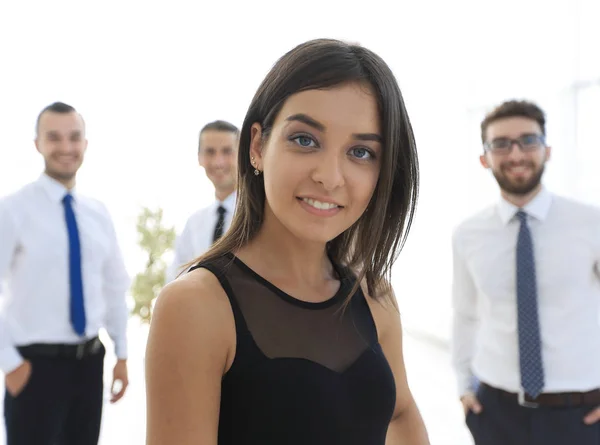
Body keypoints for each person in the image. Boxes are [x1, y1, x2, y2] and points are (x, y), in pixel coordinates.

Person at [145, 38, 430, 445]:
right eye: (305, 140)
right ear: (258, 146)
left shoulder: (373, 295)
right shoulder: (195, 306)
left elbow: (400, 414)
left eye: (361, 152)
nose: (330, 177)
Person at [451, 100, 600, 444]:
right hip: (496, 413)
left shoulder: (591, 223)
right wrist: (463, 386)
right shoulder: (468, 234)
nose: (516, 154)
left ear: (547, 150)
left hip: (581, 416)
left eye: (528, 141)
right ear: (484, 158)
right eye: (501, 144)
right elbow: (465, 314)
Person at [0, 102, 131, 445]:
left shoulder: (98, 213)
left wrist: (122, 353)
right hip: (33, 369)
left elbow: (115, 285)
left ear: (85, 143)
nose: (66, 147)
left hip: (89, 365)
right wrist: (10, 364)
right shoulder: (13, 210)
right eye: (54, 138)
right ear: (38, 144)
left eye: (74, 137)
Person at [166, 120, 239, 282]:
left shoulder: (261, 214)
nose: (218, 162)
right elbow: (175, 279)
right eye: (210, 152)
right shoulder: (194, 224)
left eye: (227, 151)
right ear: (199, 158)